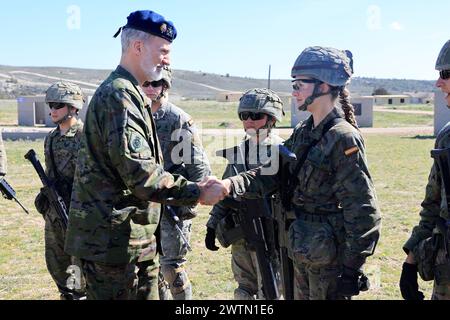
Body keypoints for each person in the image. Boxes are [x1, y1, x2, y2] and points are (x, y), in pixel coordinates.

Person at [64, 10, 226, 300]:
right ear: (138, 47)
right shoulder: (119, 96)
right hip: (112, 245)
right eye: (163, 50)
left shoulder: (131, 94)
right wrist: (196, 191)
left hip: (131, 240)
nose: (168, 59)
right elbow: (141, 174)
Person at [211, 46, 381, 300]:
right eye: (294, 84)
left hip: (328, 265)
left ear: (324, 85)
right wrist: (229, 186)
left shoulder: (343, 137)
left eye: (300, 84)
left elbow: (364, 210)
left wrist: (350, 269)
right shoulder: (305, 131)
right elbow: (272, 172)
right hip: (299, 252)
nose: (294, 91)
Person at [205, 88, 284, 300]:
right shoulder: (240, 151)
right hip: (241, 234)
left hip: (270, 238)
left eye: (256, 116)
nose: (249, 120)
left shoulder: (281, 151)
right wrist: (212, 224)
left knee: (270, 291)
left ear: (272, 118)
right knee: (243, 291)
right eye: (244, 116)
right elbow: (225, 192)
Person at [142, 66, 211, 300]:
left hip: (173, 205)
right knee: (151, 270)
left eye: (156, 83)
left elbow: (199, 166)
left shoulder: (177, 119)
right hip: (145, 206)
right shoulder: (139, 117)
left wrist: (189, 203)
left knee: (172, 269)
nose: (150, 88)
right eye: (146, 83)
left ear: (165, 86)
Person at [400, 39, 450, 300]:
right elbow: (433, 204)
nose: (438, 83)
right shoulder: (447, 137)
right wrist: (411, 259)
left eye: (446, 74)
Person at [33, 81, 87, 300]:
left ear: (73, 107)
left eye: (58, 105)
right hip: (56, 213)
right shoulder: (52, 138)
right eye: (51, 105)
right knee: (57, 264)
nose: (52, 110)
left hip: (79, 213)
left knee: (80, 270)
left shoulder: (86, 136)